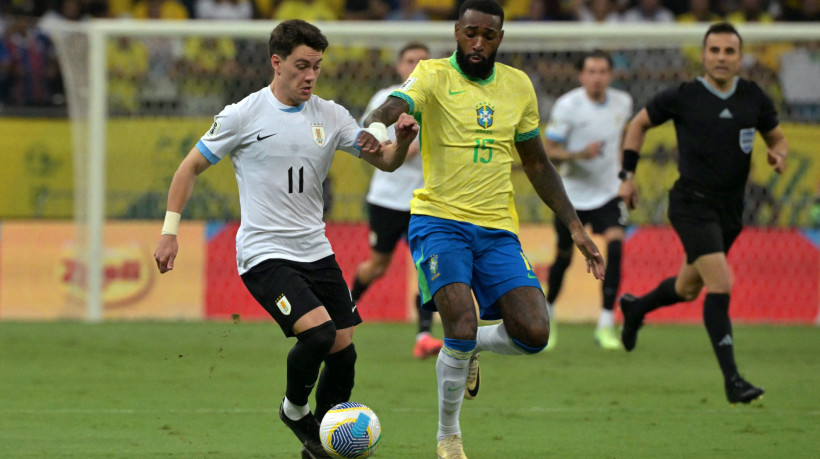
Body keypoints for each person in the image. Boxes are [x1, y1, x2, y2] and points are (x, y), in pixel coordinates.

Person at [153, 20, 418, 459]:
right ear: (276, 63)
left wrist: (402, 142)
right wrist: (169, 232)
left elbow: (386, 162)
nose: (310, 76)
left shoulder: (332, 115)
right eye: (301, 66)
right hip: (264, 254)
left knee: (344, 352)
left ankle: (326, 444)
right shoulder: (243, 114)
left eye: (317, 66)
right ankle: (294, 411)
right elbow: (188, 169)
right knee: (319, 334)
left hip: (316, 250)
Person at [361, 1, 605, 457]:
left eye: (488, 36)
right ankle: (448, 436)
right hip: (439, 221)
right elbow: (394, 103)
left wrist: (574, 226)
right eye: (470, 33)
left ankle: (473, 347)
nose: (477, 43)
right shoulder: (432, 74)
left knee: (534, 334)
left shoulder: (518, 85)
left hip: (496, 228)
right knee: (459, 321)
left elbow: (536, 163)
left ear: (500, 38)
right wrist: (377, 125)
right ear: (457, 31)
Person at [617, 22, 788, 405]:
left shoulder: (753, 97)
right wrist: (627, 177)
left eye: (729, 51)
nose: (721, 58)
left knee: (687, 288)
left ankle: (636, 308)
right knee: (721, 282)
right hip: (691, 206)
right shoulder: (685, 95)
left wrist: (779, 155)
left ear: (740, 58)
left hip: (731, 211)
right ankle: (733, 381)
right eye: (714, 50)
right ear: (704, 55)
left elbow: (777, 137)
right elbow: (638, 124)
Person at [350, 42, 445, 360]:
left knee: (427, 266)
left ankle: (423, 336)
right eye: (410, 60)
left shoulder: (439, 99)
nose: (416, 65)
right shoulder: (385, 99)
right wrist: (400, 147)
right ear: (399, 66)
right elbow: (369, 140)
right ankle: (344, 312)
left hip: (426, 200)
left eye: (423, 60)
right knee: (377, 266)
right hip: (388, 199)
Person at [543, 50, 633, 350]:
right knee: (564, 257)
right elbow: (549, 151)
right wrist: (579, 154)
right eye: (591, 71)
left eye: (603, 71)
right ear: (581, 75)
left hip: (608, 192)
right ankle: (548, 315)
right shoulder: (568, 106)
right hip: (572, 197)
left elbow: (622, 141)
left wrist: (626, 177)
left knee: (616, 248)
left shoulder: (623, 102)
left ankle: (606, 324)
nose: (597, 77)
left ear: (611, 75)